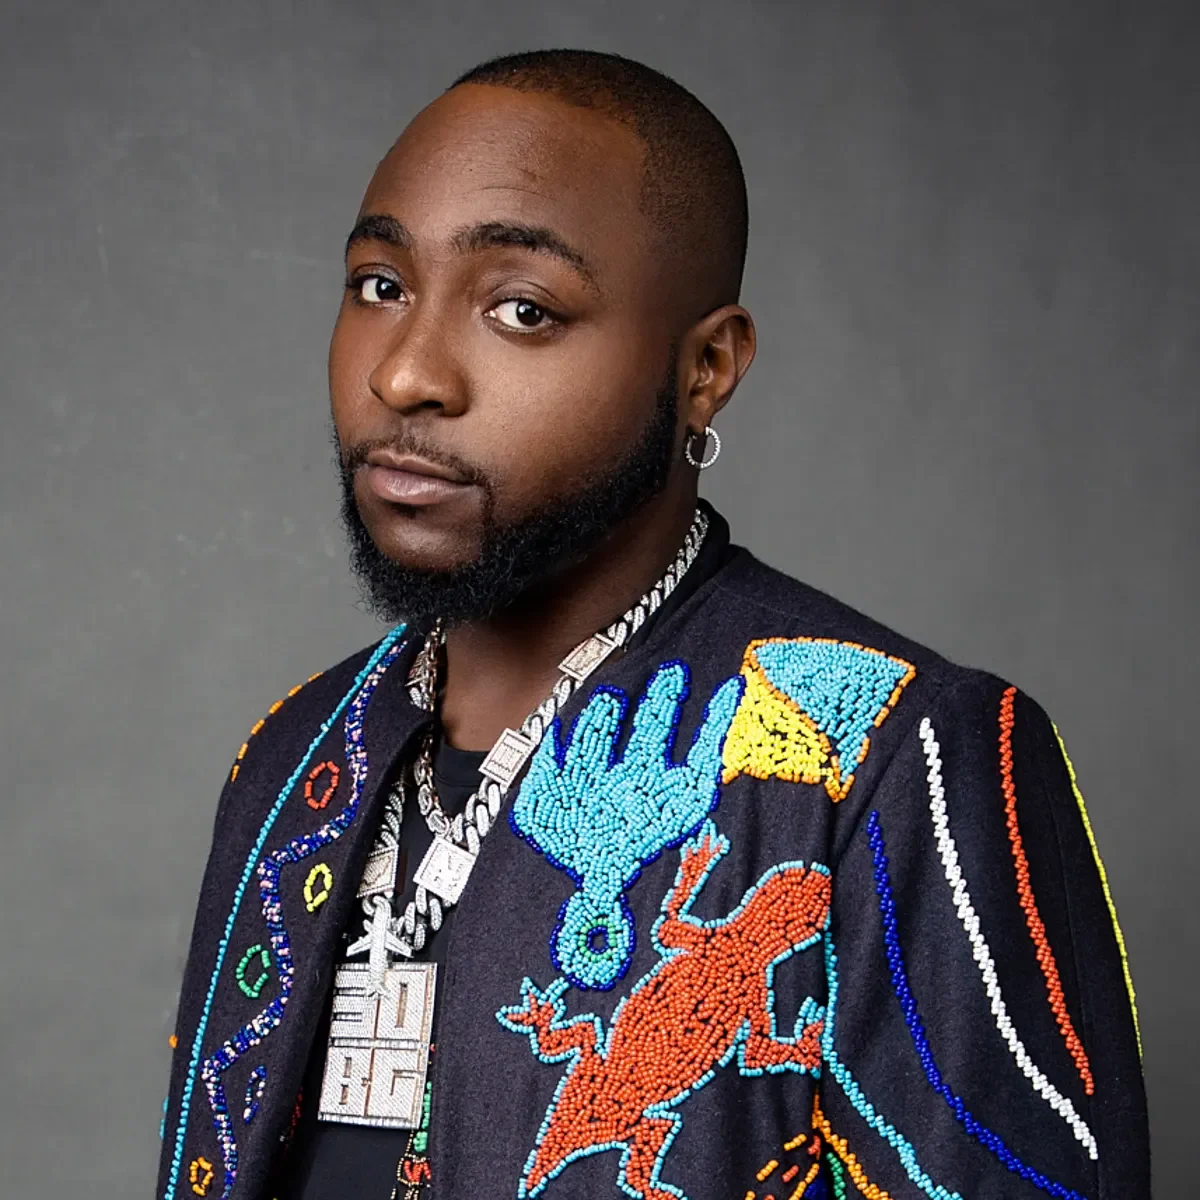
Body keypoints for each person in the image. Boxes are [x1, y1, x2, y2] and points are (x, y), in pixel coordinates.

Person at [156, 49, 1148, 1200]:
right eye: (380, 285)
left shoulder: (883, 750)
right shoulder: (293, 758)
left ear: (707, 369)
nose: (408, 374)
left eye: (523, 309)